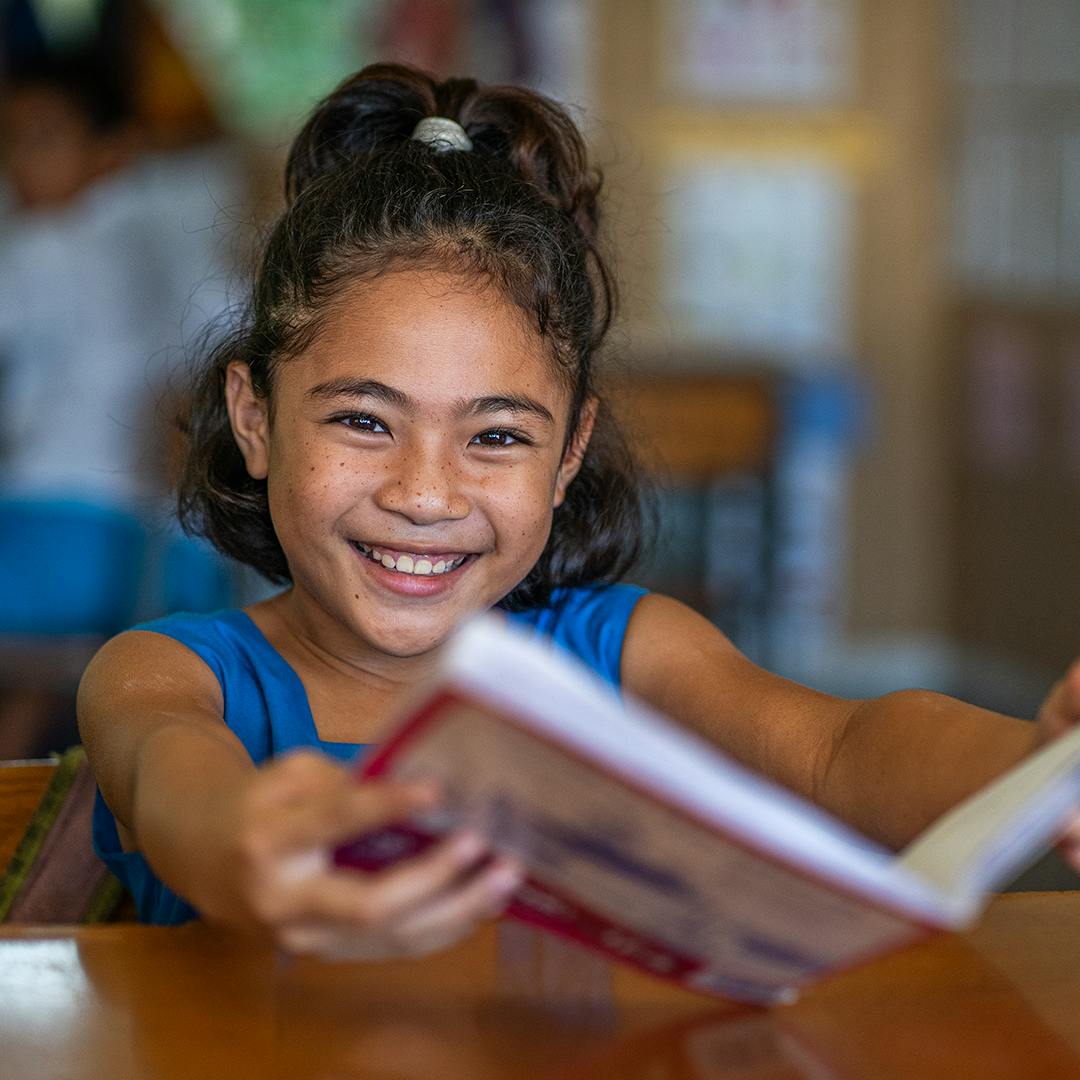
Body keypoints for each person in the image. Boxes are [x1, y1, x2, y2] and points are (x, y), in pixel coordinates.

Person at [79, 63, 1080, 959]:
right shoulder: (168, 674)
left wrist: (1042, 768)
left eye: (499, 436)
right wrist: (238, 840)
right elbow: (178, 783)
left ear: (568, 456)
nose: (426, 493)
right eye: (364, 421)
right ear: (254, 420)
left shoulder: (620, 654)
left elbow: (837, 751)